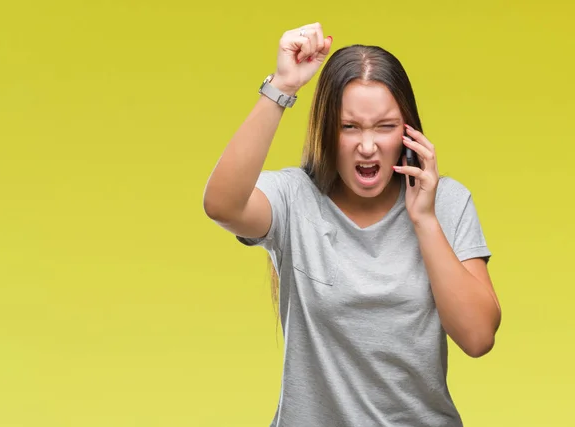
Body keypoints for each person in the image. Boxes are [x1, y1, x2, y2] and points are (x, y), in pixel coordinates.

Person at [203, 21, 502, 427]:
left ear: (408, 132)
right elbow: (222, 204)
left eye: (384, 126)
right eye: (349, 127)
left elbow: (478, 337)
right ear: (327, 131)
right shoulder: (294, 198)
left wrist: (425, 219)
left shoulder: (446, 201)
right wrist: (282, 87)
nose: (367, 146)